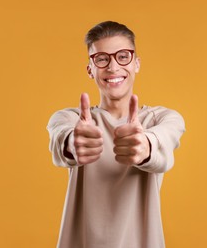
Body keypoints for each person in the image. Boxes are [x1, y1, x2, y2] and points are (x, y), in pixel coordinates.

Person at [47, 21, 185, 248]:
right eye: (102, 58)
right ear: (90, 69)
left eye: (123, 56)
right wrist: (73, 143)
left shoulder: (162, 119)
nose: (113, 67)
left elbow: (164, 141)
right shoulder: (69, 119)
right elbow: (61, 139)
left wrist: (144, 147)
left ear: (136, 64)